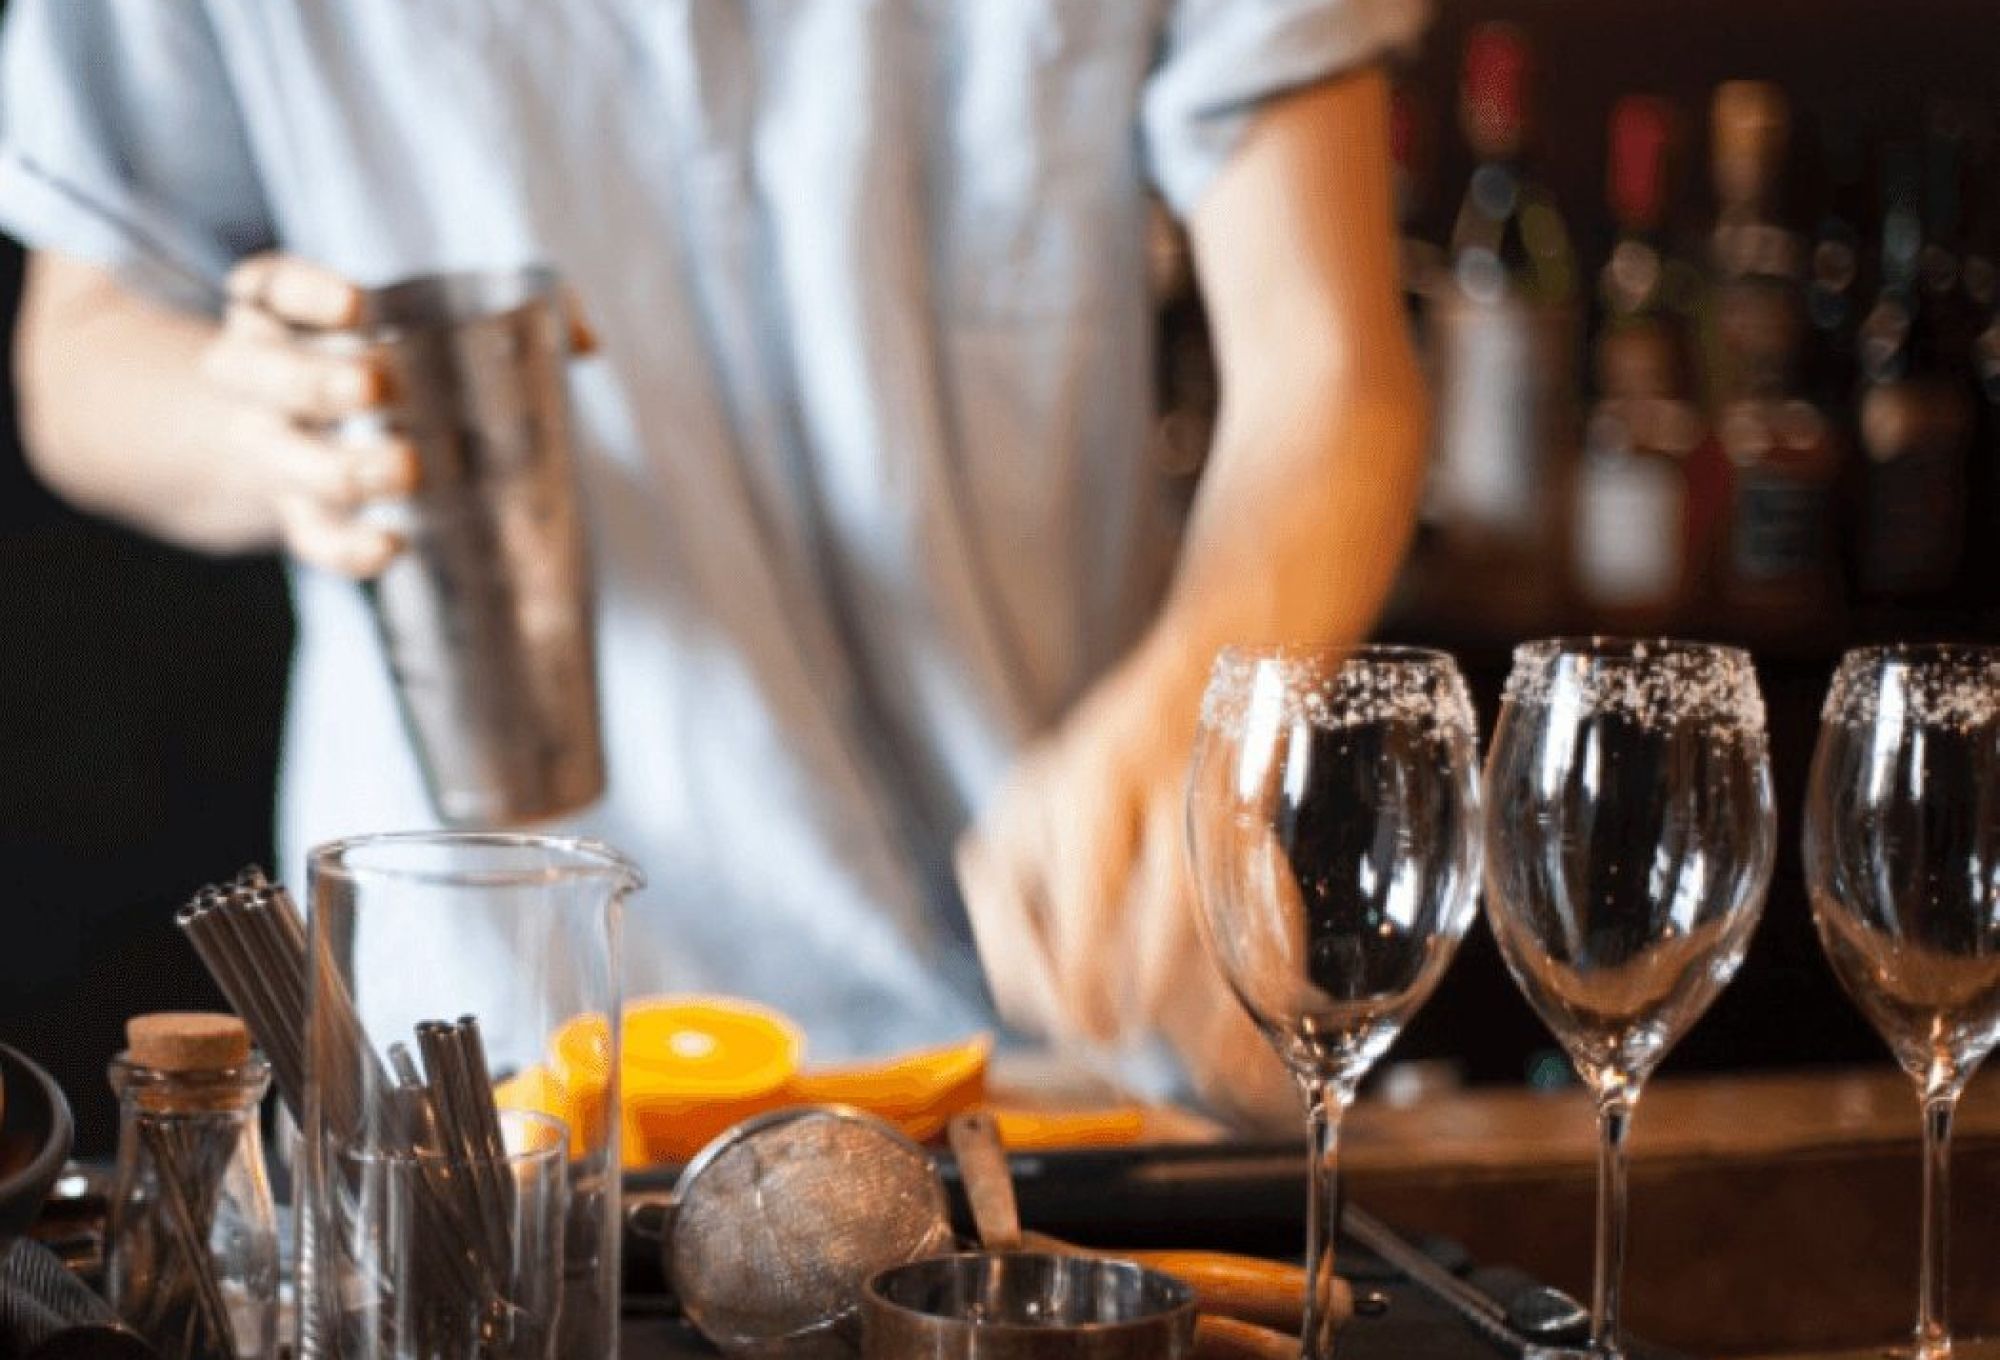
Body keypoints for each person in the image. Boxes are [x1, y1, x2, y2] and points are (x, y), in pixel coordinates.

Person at [1, 0, 1428, 1121]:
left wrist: (1196, 700)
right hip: (502, 1061)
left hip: (1076, 1021)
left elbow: (1333, 369)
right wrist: (260, 423)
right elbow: (80, 351)